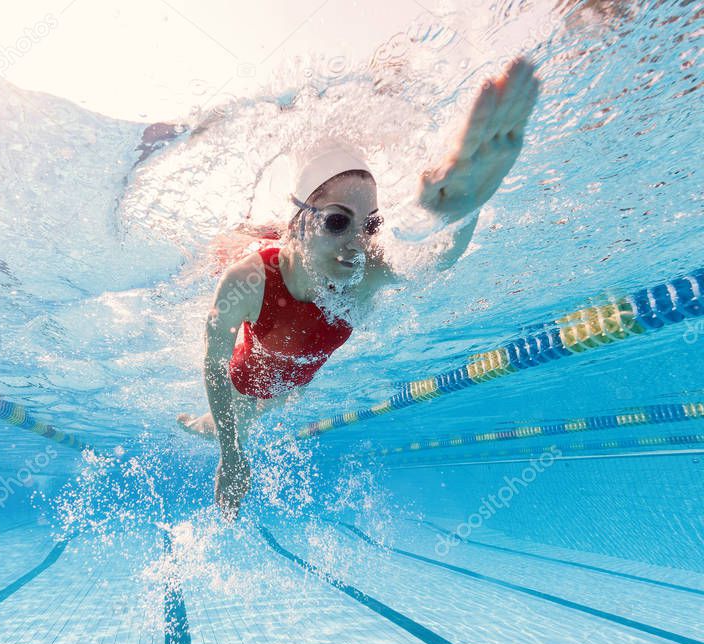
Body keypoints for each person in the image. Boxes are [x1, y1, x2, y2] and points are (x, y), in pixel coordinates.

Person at [177, 58, 541, 521]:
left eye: (370, 226)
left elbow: (434, 259)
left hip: (297, 382)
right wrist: (231, 455)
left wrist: (464, 210)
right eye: (336, 222)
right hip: (251, 384)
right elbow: (212, 361)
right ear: (298, 222)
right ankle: (206, 425)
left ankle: (213, 425)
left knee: (282, 401)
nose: (356, 247)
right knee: (241, 417)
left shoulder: (368, 269)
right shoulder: (250, 280)